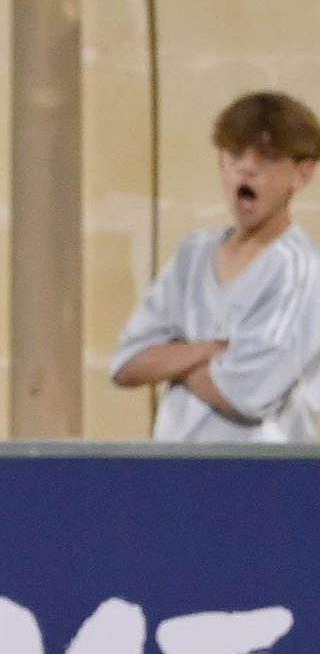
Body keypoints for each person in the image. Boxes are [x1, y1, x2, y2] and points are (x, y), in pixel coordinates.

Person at [112, 91, 320, 442]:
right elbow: (127, 362)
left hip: (261, 478)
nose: (247, 167)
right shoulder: (192, 254)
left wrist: (174, 357)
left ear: (302, 174)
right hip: (175, 470)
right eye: (235, 154)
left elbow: (246, 394)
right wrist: (209, 350)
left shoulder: (300, 269)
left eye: (267, 158)